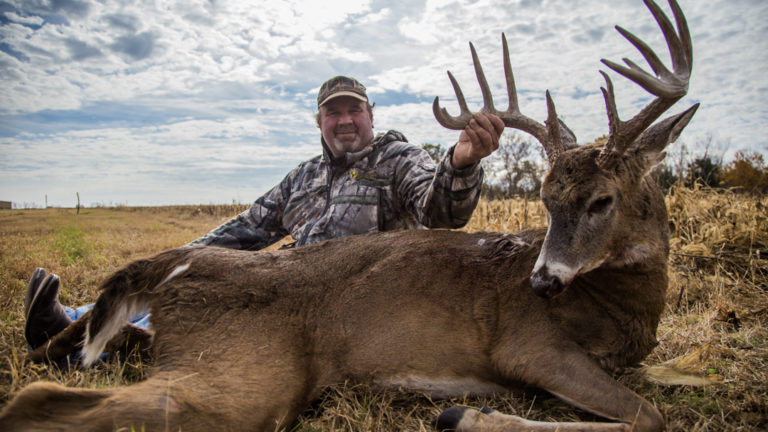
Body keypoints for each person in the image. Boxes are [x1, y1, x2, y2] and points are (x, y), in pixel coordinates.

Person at [24, 75, 505, 353]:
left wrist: (461, 164)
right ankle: (74, 320)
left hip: (349, 301)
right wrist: (172, 263)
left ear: (370, 116)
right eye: (332, 113)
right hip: (284, 279)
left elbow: (442, 214)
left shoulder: (400, 159)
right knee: (200, 275)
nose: (343, 120)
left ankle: (105, 341)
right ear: (320, 122)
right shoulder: (304, 176)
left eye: (353, 110)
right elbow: (246, 230)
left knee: (222, 309)